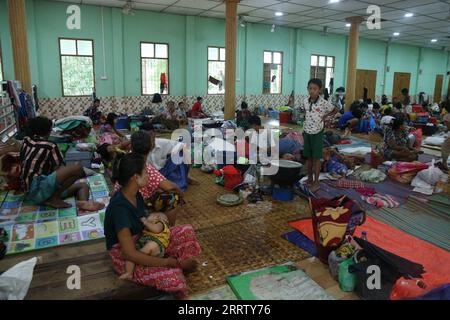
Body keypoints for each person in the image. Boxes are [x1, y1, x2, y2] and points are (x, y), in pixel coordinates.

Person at [104, 152, 200, 298]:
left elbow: (145, 219)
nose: (149, 175)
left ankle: (174, 262)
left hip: (145, 240)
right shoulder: (120, 209)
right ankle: (175, 263)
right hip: (127, 257)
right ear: (135, 178)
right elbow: (128, 253)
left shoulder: (135, 194)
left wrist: (158, 222)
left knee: (186, 230)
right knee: (174, 278)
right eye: (145, 172)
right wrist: (170, 262)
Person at [19, 117, 104, 211]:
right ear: (48, 131)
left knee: (83, 185)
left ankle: (83, 202)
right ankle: (54, 198)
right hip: (38, 189)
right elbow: (60, 169)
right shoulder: (50, 145)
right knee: (77, 169)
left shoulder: (26, 140)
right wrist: (73, 170)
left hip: (29, 191)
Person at [301, 78, 338, 192]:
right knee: (309, 157)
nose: (312, 91)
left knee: (316, 158)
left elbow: (335, 109)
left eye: (315, 89)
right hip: (307, 131)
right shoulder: (305, 101)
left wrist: (326, 117)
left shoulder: (323, 102)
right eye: (310, 88)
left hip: (317, 132)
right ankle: (310, 179)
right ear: (307, 89)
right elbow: (306, 112)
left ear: (319, 90)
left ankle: (316, 182)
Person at [119, 212, 171, 280]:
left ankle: (138, 258)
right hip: (143, 247)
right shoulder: (146, 228)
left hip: (157, 247)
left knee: (151, 245)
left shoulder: (160, 224)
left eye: (150, 215)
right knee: (130, 254)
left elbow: (156, 229)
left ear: (157, 217)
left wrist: (145, 221)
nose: (147, 217)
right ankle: (129, 273)